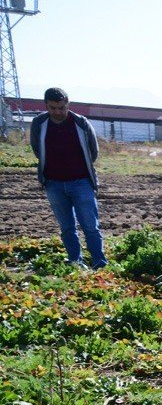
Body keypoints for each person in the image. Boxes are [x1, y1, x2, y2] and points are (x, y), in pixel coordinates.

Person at [29, 87, 107, 269]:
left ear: (68, 104)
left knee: (90, 226)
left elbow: (93, 152)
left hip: (81, 182)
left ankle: (99, 264)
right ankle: (75, 263)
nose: (58, 112)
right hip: (53, 183)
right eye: (53, 108)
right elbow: (37, 150)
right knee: (67, 227)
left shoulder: (80, 123)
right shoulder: (39, 123)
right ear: (46, 106)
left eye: (62, 107)